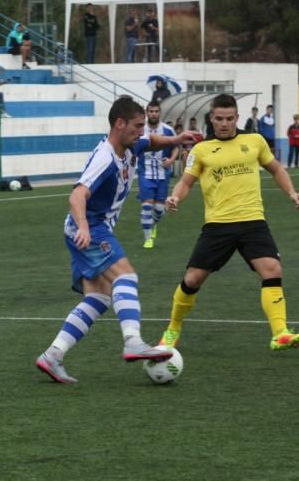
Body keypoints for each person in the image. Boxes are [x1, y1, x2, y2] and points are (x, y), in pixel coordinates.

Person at [35, 96, 191, 384]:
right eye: (137, 126)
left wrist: (177, 138)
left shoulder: (130, 146)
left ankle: (52, 355)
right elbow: (77, 194)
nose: (142, 132)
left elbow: (150, 142)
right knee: (127, 277)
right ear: (119, 124)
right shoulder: (105, 157)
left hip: (89, 228)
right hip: (91, 228)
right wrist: (83, 227)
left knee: (99, 297)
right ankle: (132, 340)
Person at [157, 94, 299, 353]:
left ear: (237, 118)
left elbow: (276, 169)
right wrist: (175, 197)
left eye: (229, 118)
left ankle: (280, 332)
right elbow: (185, 182)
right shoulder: (201, 150)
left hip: (252, 221)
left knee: (272, 269)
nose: (224, 123)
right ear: (211, 119)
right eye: (219, 119)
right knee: (192, 279)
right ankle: (172, 329)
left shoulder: (254, 141)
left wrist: (292, 193)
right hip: (218, 225)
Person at [137, 101, 176, 249]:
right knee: (147, 206)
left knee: (159, 209)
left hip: (162, 175)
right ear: (147, 113)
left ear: (160, 113)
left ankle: (153, 225)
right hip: (145, 173)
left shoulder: (168, 130)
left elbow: (176, 146)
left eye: (156, 111)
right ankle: (148, 239)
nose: (153, 114)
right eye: (151, 111)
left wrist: (171, 160)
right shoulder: (141, 130)